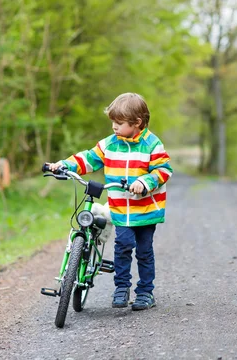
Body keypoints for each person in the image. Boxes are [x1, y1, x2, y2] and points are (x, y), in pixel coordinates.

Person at [47, 92, 173, 311]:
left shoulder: (152, 145)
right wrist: (64, 165)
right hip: (121, 209)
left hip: (145, 210)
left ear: (137, 123)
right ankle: (122, 288)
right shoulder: (109, 144)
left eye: (119, 123)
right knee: (123, 246)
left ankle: (145, 292)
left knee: (144, 251)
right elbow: (88, 158)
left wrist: (145, 182)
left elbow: (164, 170)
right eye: (113, 122)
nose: (114, 127)